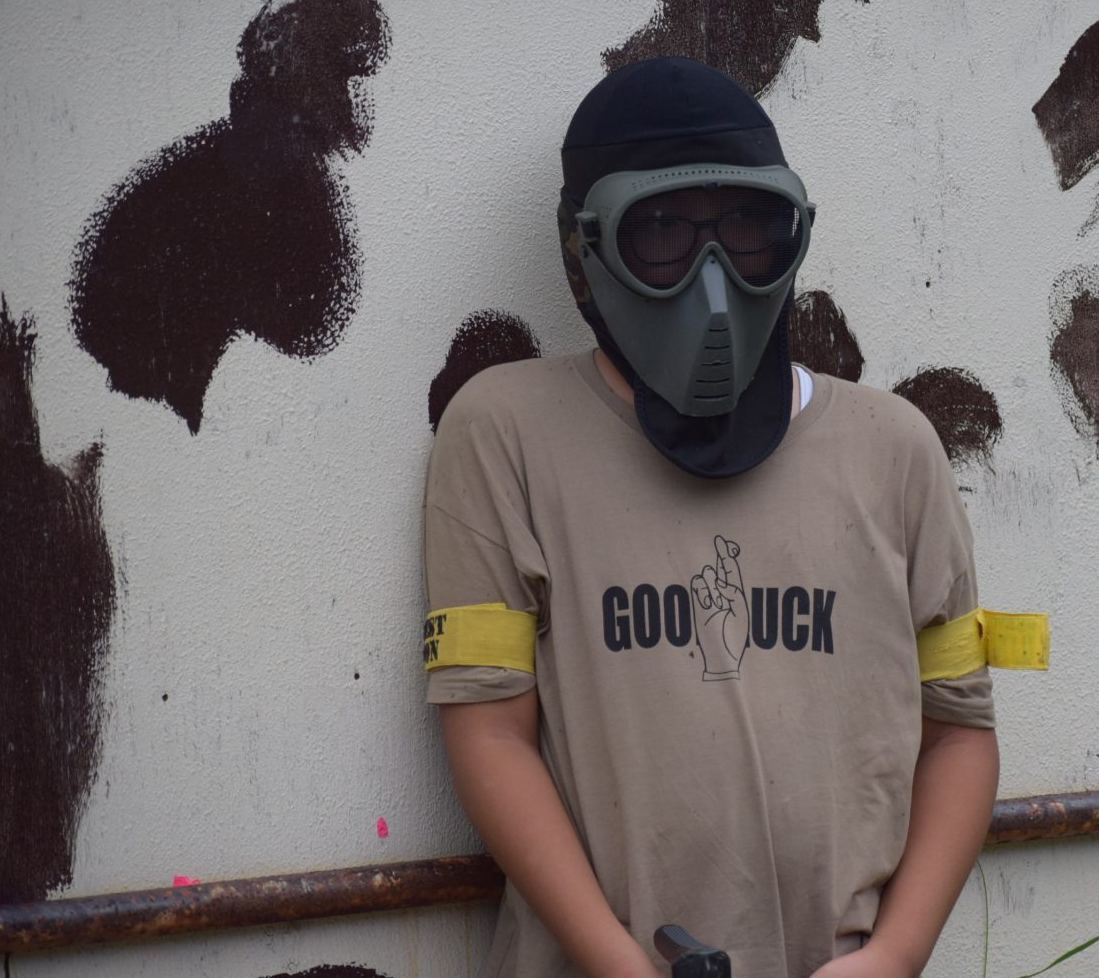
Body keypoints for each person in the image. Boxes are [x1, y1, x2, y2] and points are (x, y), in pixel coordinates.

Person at [422, 56, 1046, 978]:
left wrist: (895, 955)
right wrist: (620, 966)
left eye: (749, 230)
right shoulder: (505, 434)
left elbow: (959, 733)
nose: (712, 280)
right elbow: (488, 733)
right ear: (585, 252)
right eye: (662, 232)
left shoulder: (895, 450)